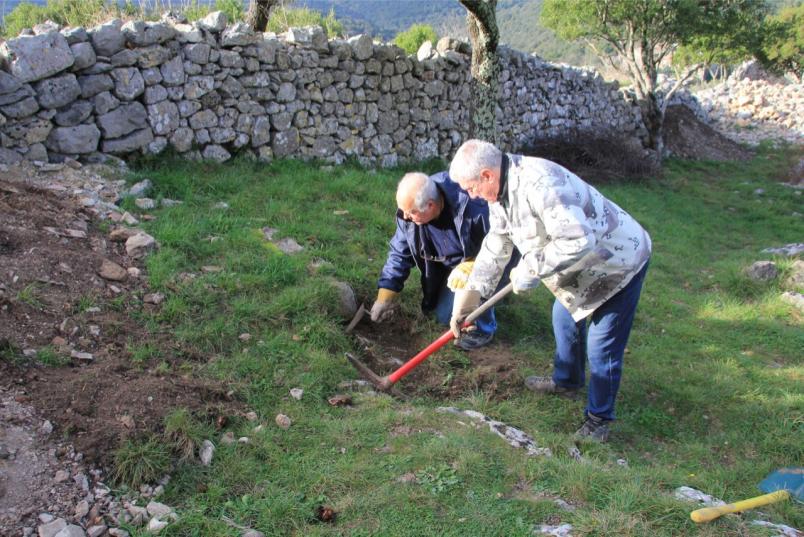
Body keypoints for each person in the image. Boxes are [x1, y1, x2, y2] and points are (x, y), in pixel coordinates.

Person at [448, 140, 652, 441]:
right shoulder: (501, 192)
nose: (469, 195)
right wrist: (470, 297)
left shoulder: (540, 185)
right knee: (564, 318)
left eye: (470, 187)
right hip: (583, 267)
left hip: (618, 261)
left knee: (602, 347)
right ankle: (567, 382)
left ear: (488, 175)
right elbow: (498, 242)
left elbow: (578, 240)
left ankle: (599, 419)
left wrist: (532, 267)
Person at [371, 171, 512, 351]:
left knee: (465, 317)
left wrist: (473, 265)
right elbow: (399, 254)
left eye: (411, 213)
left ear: (430, 205)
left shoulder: (475, 207)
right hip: (447, 265)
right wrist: (385, 297)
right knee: (444, 317)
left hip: (482, 262)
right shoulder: (409, 215)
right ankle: (467, 295)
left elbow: (505, 245)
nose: (405, 217)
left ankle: (483, 330)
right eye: (404, 211)